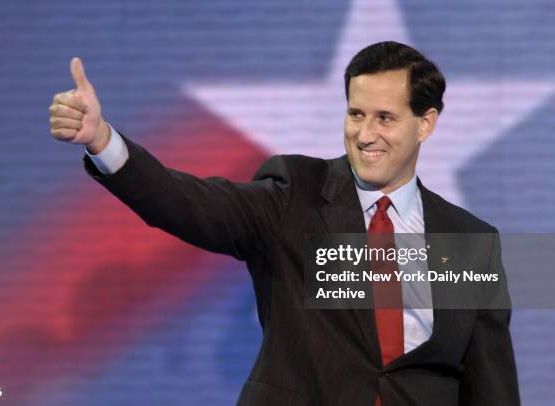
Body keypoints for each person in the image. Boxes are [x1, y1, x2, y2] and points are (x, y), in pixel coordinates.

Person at [49, 41, 520, 405]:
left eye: (385, 118)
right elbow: (186, 203)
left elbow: (490, 385)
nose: (366, 133)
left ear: (426, 123)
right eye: (356, 114)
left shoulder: (470, 241)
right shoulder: (294, 192)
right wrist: (103, 140)